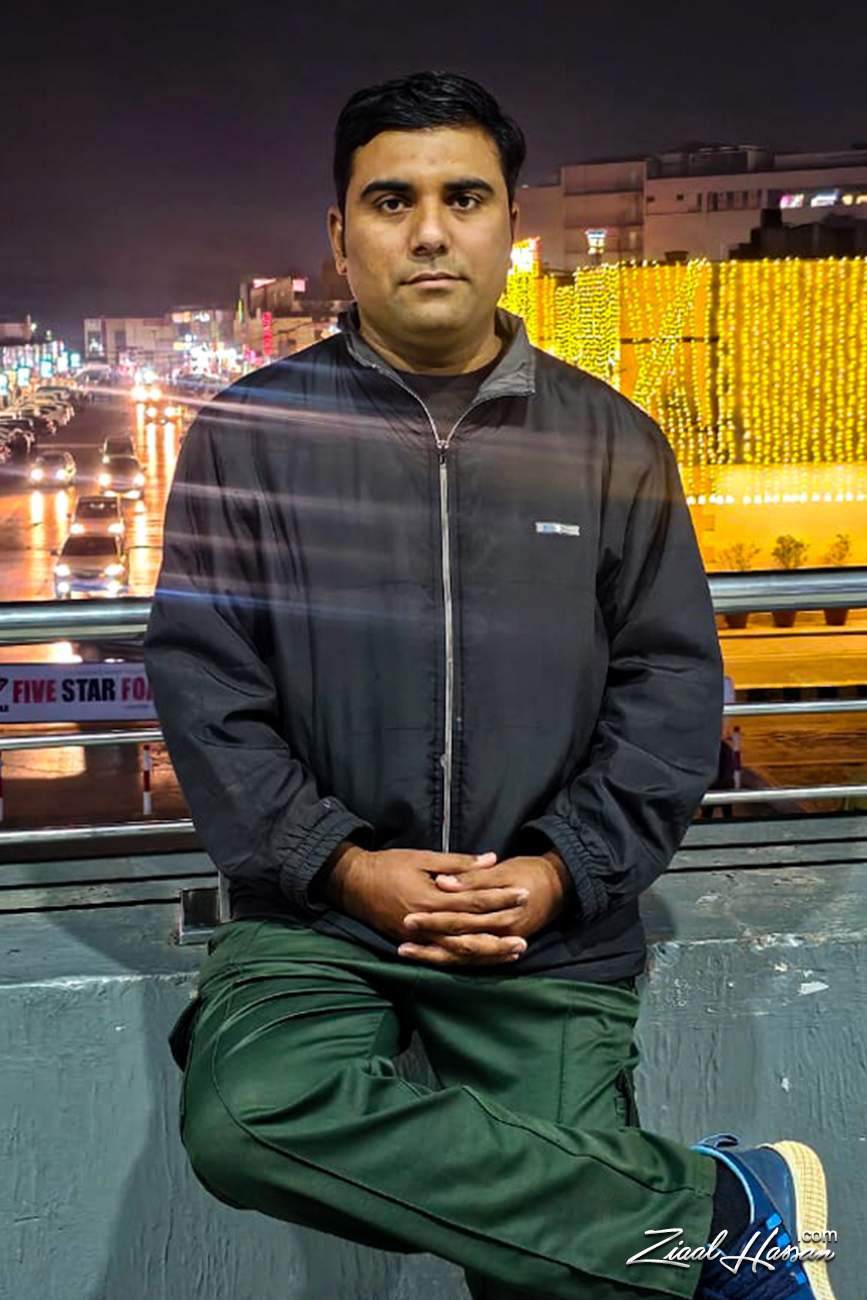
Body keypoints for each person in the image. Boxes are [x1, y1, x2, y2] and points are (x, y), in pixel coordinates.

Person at [144, 71, 835, 1300]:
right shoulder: (248, 439)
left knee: (547, 1277)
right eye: (390, 199)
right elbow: (207, 689)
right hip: (318, 926)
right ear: (339, 237)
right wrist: (343, 862)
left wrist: (561, 867)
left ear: (508, 227)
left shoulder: (610, 440)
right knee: (241, 1120)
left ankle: (676, 1231)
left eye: (463, 197)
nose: (427, 229)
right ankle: (716, 1215)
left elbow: (670, 693)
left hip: (549, 936)